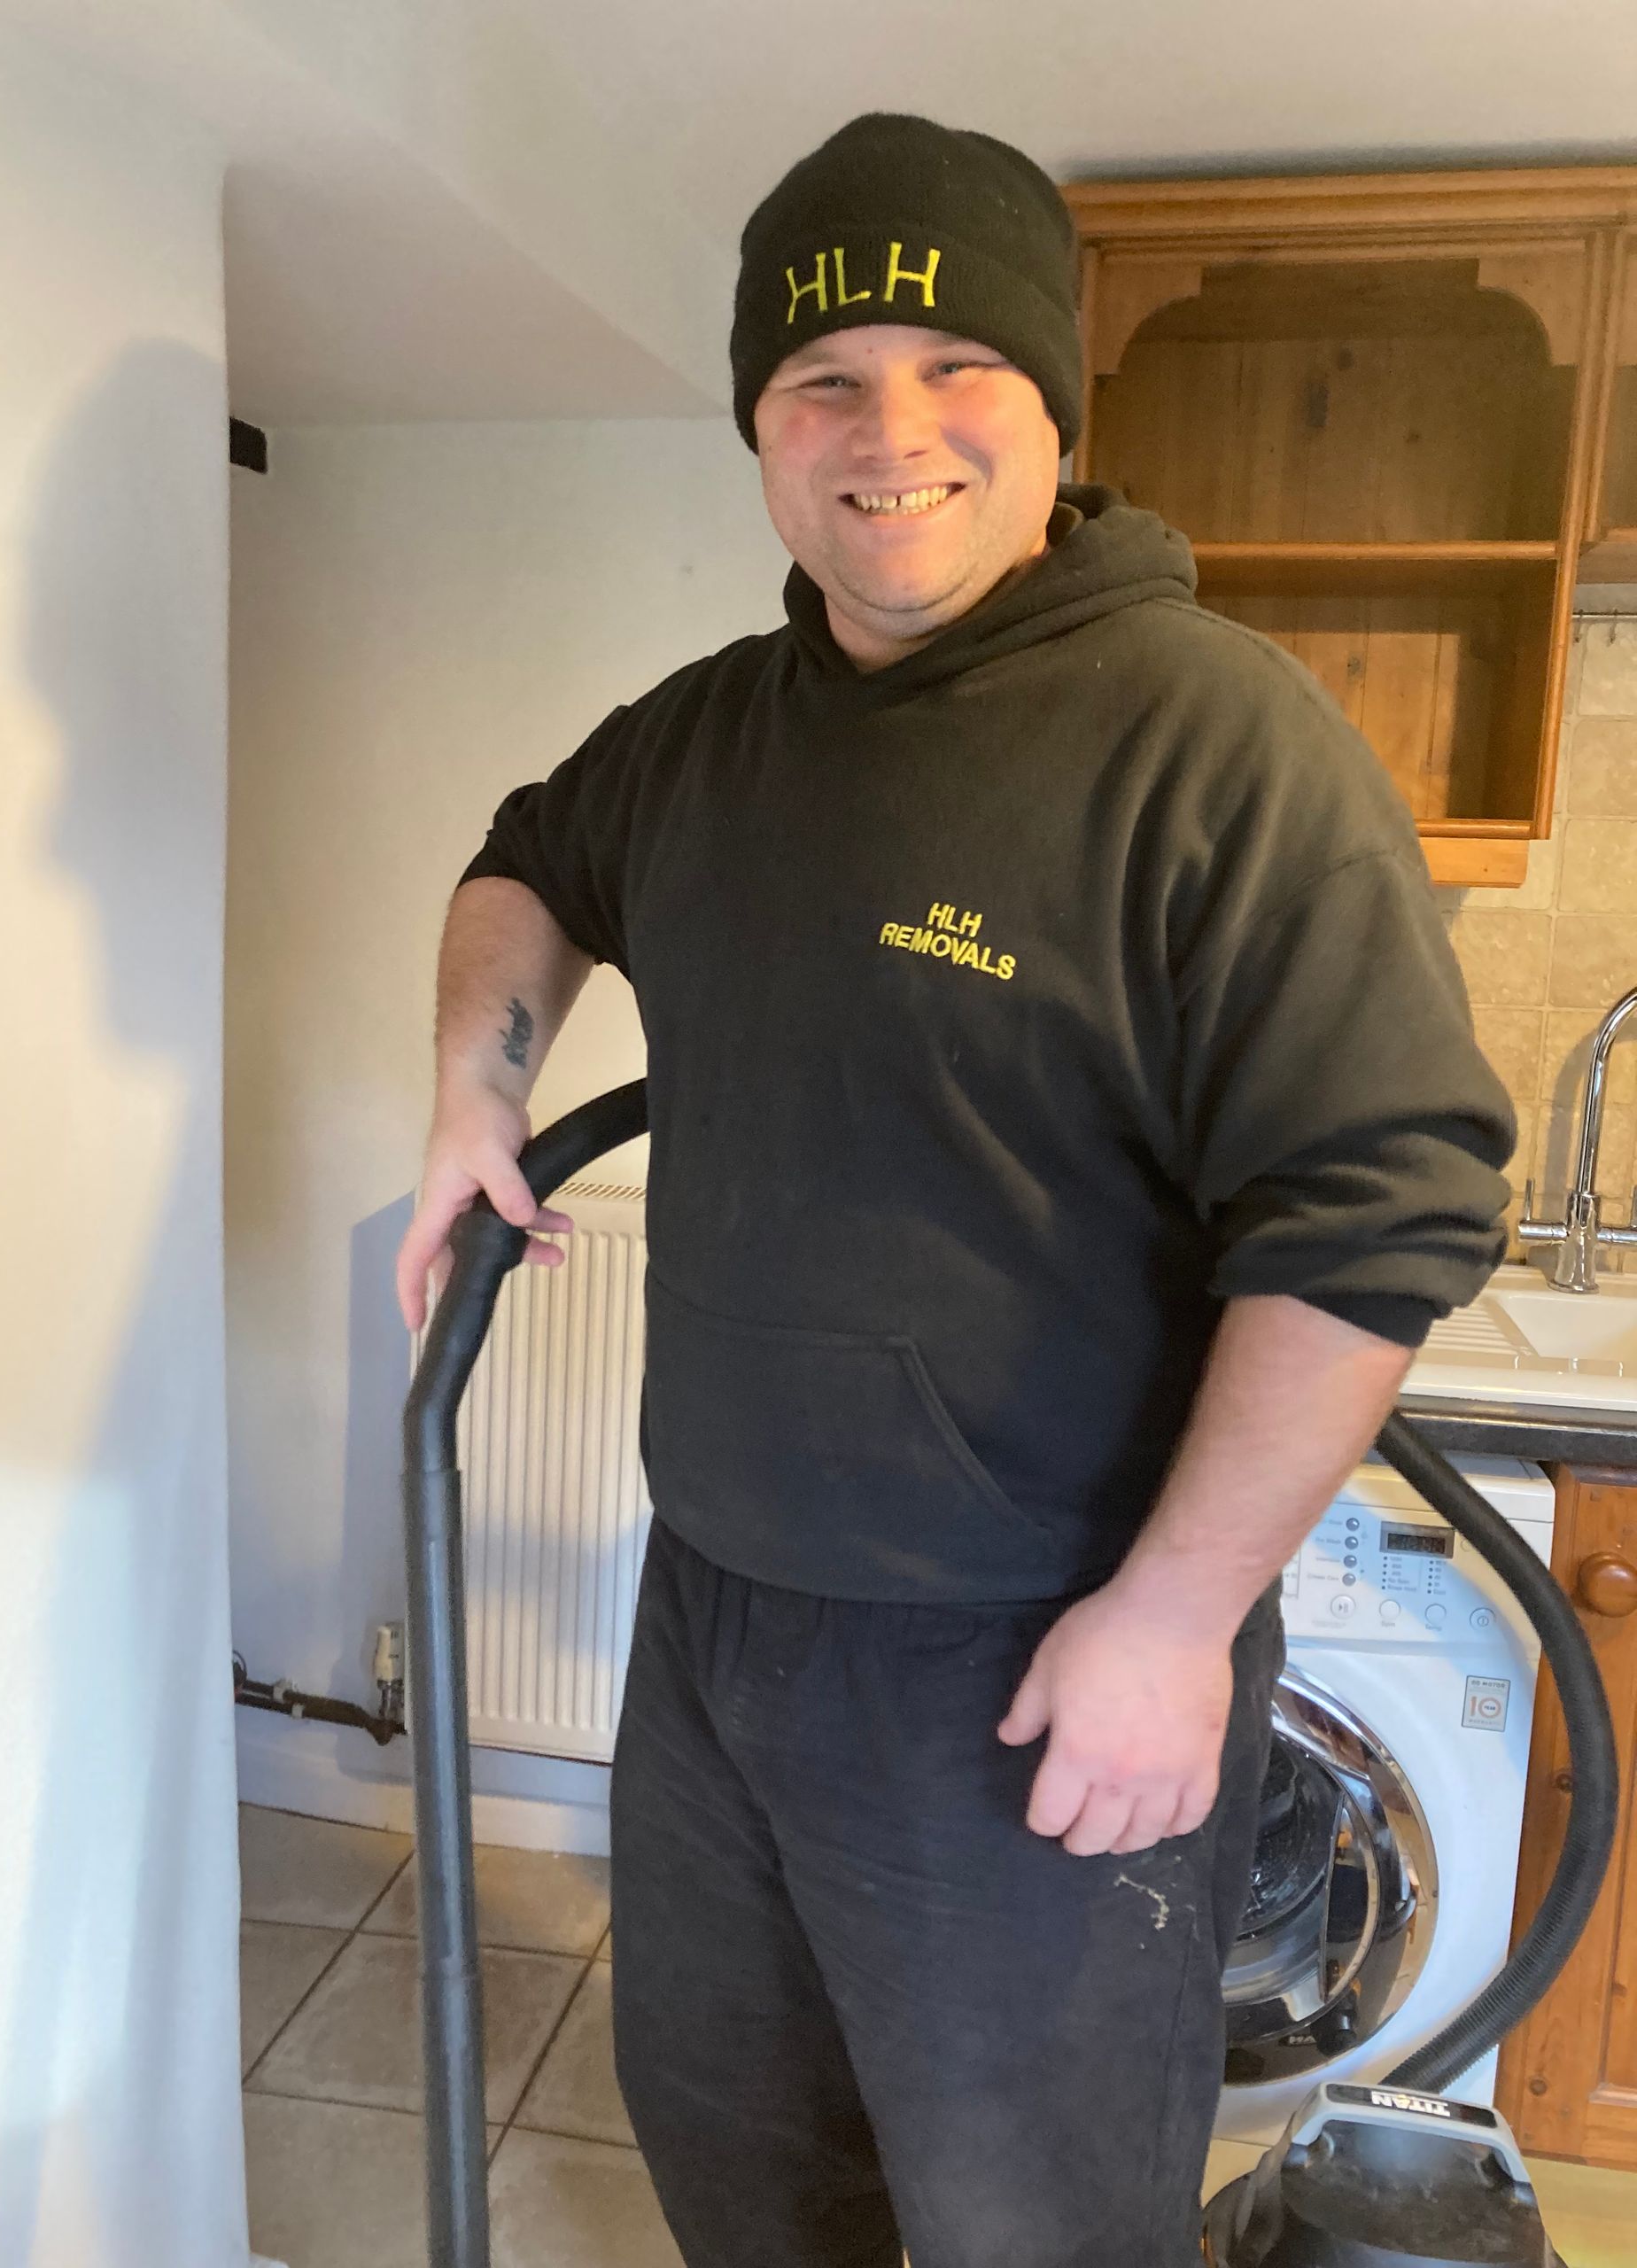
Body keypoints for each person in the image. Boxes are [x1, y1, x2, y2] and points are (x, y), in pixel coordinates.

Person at [396, 111, 1515, 2268]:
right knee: (734, 2148)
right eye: (823, 380)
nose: (887, 429)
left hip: (1032, 1659)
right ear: (758, 427)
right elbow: (529, 859)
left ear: (1050, 410)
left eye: (955, 368)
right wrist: (474, 1085)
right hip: (715, 1623)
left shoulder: (1215, 740)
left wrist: (1177, 1619)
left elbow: (1381, 1216)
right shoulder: (713, 734)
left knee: (1030, 2221)